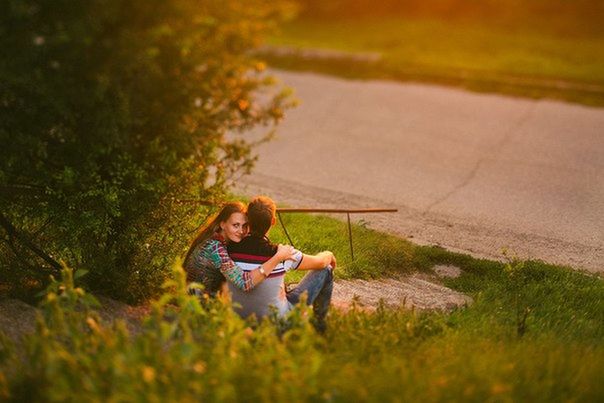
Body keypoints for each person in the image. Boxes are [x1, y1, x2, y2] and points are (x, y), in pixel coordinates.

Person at [227, 196, 336, 332]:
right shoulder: (282, 253)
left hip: (238, 319)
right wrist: (329, 254)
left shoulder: (228, 249)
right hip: (277, 323)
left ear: (247, 218)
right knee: (326, 270)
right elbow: (320, 263)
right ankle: (319, 327)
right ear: (273, 221)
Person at [183, 201, 295, 297]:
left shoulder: (217, 240)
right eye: (235, 225)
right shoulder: (215, 249)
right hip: (200, 305)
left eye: (245, 226)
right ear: (223, 224)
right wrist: (278, 257)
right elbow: (245, 282)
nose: (241, 231)